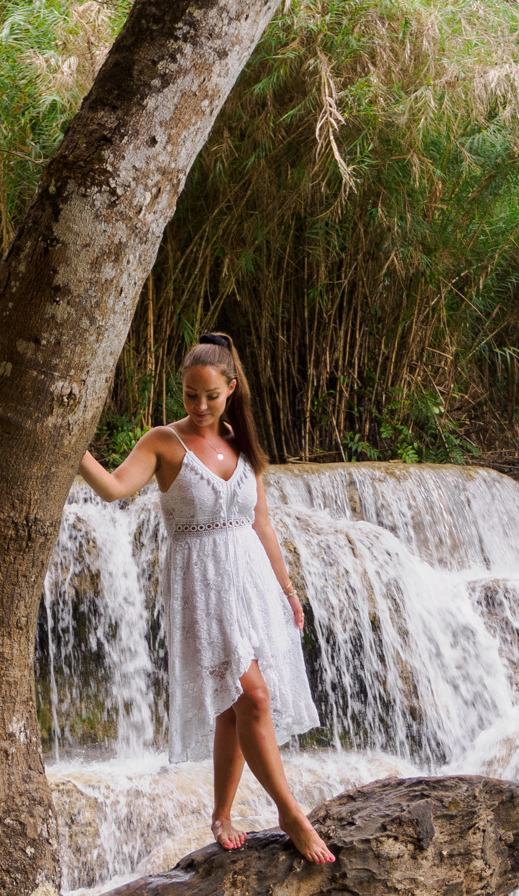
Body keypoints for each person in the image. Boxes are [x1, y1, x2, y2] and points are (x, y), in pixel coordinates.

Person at [79, 332, 335, 865]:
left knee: (233, 708)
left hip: (251, 584)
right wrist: (70, 447)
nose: (199, 407)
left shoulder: (244, 443)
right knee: (253, 697)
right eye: (190, 395)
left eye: (210, 396)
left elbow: (261, 524)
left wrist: (288, 591)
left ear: (230, 389)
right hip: (200, 582)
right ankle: (290, 812)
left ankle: (221, 814)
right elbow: (112, 487)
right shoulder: (162, 443)